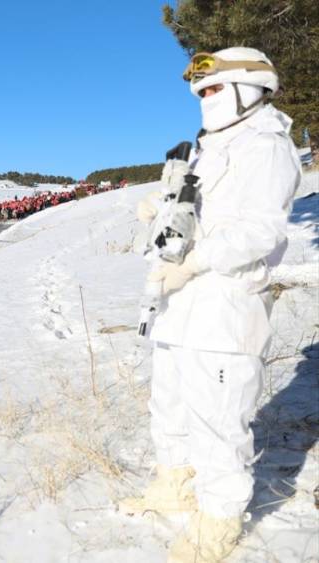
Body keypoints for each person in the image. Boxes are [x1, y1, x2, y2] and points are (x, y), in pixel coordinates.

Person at [120, 48, 301, 563]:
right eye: (200, 92)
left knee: (219, 419)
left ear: (250, 86)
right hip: (178, 300)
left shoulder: (266, 145)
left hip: (225, 301)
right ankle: (175, 486)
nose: (205, 98)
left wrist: (195, 262)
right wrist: (161, 212)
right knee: (170, 404)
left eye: (214, 88)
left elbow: (259, 232)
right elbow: (195, 214)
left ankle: (218, 521)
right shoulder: (207, 146)